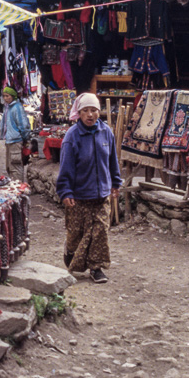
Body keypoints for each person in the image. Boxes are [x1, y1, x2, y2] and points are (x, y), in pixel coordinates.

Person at [56, 92, 121, 283]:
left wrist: (115, 183)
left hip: (101, 194)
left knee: (100, 231)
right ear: (79, 112)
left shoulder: (106, 132)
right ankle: (70, 249)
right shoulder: (72, 136)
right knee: (77, 232)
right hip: (79, 194)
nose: (90, 114)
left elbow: (112, 161)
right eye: (86, 111)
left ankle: (96, 268)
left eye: (94, 110)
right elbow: (65, 167)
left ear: (99, 112)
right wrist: (65, 191)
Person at [0, 86, 30, 181]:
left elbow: (24, 125)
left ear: (13, 96)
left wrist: (26, 138)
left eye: (7, 96)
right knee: (9, 167)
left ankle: (20, 189)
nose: (5, 98)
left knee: (16, 168)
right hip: (9, 141)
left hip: (16, 141)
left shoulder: (17, 108)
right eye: (4, 96)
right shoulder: (7, 107)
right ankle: (15, 188)